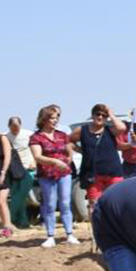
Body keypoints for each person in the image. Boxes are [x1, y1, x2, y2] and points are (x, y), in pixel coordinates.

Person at [29, 104, 80, 247]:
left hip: (64, 174)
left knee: (65, 203)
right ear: (44, 119)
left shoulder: (62, 135)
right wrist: (54, 162)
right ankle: (50, 235)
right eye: (52, 117)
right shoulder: (36, 137)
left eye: (57, 117)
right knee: (50, 204)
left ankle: (69, 234)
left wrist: (68, 159)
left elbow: (70, 148)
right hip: (47, 175)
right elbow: (37, 157)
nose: (55, 120)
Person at [69, 104, 129, 217]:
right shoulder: (82, 130)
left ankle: (115, 231)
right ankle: (96, 232)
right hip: (92, 174)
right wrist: (81, 150)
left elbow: (122, 128)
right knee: (94, 204)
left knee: (116, 202)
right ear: (92, 115)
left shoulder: (110, 130)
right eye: (98, 114)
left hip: (113, 173)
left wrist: (111, 114)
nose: (100, 117)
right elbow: (68, 141)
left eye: (104, 115)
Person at [6, 116, 36, 228]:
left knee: (21, 194)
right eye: (13, 126)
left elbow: (36, 148)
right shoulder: (6, 137)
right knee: (16, 195)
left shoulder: (28, 134)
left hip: (29, 167)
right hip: (14, 170)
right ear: (9, 126)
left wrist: (34, 161)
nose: (15, 129)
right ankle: (23, 221)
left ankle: (11, 217)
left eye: (17, 126)